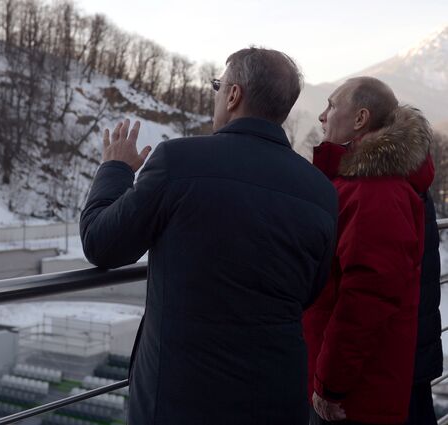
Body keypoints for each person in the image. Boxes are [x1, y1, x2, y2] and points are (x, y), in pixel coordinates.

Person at [80, 47, 338, 425]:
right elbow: (311, 288)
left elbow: (101, 243)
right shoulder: (321, 190)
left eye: (218, 86)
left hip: (180, 400)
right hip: (277, 399)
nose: (216, 94)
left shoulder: (178, 161)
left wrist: (116, 168)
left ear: (234, 95)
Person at [302, 76, 438, 425]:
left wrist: (330, 385)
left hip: (355, 396)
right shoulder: (369, 183)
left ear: (360, 119)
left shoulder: (374, 190)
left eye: (331, 106)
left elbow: (366, 298)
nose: (322, 116)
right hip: (363, 383)